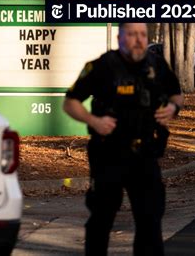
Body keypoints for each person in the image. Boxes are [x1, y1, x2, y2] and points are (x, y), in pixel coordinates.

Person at [63, 23, 183, 256]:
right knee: (102, 218)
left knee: (150, 219)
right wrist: (94, 120)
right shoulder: (102, 66)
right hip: (109, 154)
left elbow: (177, 94)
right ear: (119, 37)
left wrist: (173, 107)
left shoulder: (157, 65)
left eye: (142, 34)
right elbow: (70, 102)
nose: (138, 39)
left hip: (146, 154)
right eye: (131, 34)